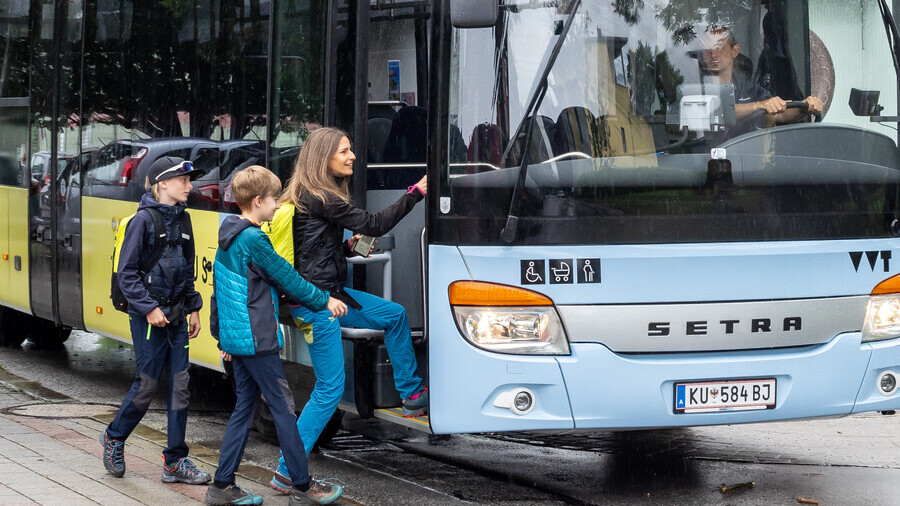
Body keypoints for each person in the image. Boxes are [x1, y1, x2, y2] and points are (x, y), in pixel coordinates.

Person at [268, 127, 427, 493]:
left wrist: (345, 249)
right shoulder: (322, 197)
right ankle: (287, 470)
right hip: (318, 305)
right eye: (345, 151)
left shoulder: (312, 197)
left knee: (394, 315)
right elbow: (376, 224)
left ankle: (412, 395)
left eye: (351, 150)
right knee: (329, 390)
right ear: (324, 158)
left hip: (334, 296)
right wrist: (415, 193)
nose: (352, 156)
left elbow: (310, 255)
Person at [206, 165, 348, 506]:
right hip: (257, 339)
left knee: (245, 406)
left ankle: (221, 485)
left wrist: (221, 336)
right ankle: (301, 485)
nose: (278, 205)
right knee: (284, 408)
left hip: (239, 339)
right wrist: (324, 300)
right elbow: (289, 278)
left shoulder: (229, 236)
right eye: (274, 199)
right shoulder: (254, 239)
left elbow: (219, 293)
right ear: (257, 201)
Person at [100, 156, 209, 485]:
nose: (191, 186)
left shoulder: (185, 220)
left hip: (177, 314)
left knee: (180, 386)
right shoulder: (142, 221)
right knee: (147, 385)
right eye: (184, 181)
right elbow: (127, 274)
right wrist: (148, 308)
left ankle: (175, 461)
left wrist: (193, 307)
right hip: (149, 316)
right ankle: (114, 438)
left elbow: (187, 271)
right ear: (163, 183)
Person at [700, 27, 822, 124]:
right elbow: (715, 111)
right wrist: (760, 106)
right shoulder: (698, 86)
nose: (713, 54)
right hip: (703, 153)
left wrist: (805, 107)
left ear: (734, 51)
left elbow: (780, 114)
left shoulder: (748, 88)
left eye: (719, 47)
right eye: (708, 49)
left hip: (744, 153)